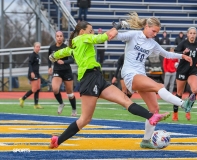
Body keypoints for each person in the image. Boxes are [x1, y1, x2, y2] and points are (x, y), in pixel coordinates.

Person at [48, 21, 170, 149]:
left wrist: (52, 57)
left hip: (97, 78)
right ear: (82, 31)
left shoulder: (73, 46)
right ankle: (58, 140)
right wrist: (117, 26)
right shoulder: (84, 38)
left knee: (125, 100)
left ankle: (152, 117)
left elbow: (60, 53)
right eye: (90, 31)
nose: (92, 33)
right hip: (89, 80)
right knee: (85, 119)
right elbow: (105, 37)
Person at [114, 12, 196, 149]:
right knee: (158, 85)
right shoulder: (134, 35)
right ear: (146, 26)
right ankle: (183, 104)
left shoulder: (152, 43)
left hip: (140, 75)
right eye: (154, 31)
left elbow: (167, 54)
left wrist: (182, 56)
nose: (155, 34)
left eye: (157, 32)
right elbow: (115, 35)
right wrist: (117, 26)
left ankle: (146, 141)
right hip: (129, 74)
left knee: (154, 109)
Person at [172, 27, 197, 121]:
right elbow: (175, 52)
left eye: (194, 33)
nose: (192, 35)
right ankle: (175, 113)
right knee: (179, 93)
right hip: (182, 70)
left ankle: (188, 109)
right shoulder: (183, 43)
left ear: (196, 35)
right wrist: (183, 53)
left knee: (194, 90)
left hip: (193, 70)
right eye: (190, 33)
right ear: (187, 34)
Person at [48, 31, 77, 116]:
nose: (59, 37)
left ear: (63, 37)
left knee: (70, 94)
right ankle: (61, 103)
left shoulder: (66, 47)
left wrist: (64, 62)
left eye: (61, 36)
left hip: (67, 71)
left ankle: (74, 109)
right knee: (55, 89)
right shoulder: (52, 48)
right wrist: (49, 67)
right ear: (55, 37)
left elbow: (72, 60)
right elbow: (49, 58)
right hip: (57, 71)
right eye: (58, 36)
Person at [19, 42, 43, 109]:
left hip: (37, 74)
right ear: (34, 47)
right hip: (33, 73)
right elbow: (29, 64)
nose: (38, 48)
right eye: (37, 46)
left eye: (39, 47)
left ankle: (36, 104)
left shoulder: (38, 55)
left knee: (38, 88)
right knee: (34, 89)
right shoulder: (32, 55)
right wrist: (32, 72)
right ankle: (22, 99)